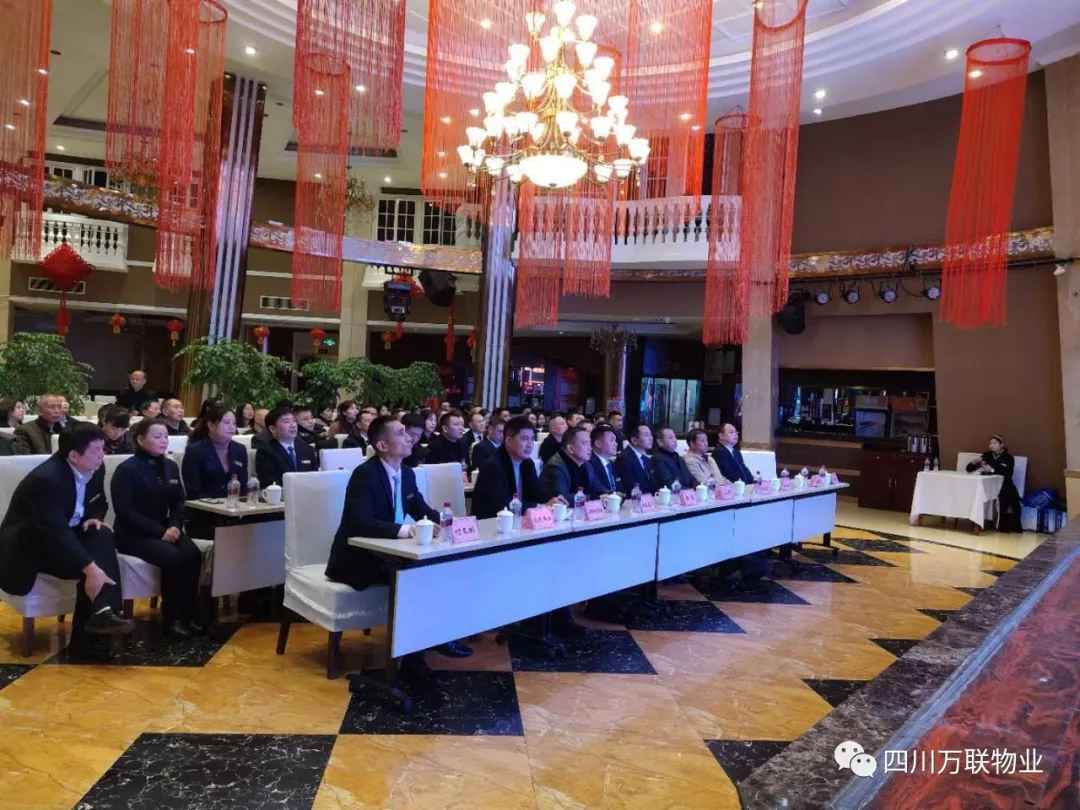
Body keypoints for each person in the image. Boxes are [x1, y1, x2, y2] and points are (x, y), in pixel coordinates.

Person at [325, 416, 472, 659]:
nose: (409, 438)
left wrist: (452, 523)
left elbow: (422, 510)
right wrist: (406, 530)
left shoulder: (407, 474)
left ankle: (435, 636)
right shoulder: (365, 474)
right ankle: (412, 656)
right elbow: (359, 523)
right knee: (418, 576)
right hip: (358, 559)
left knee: (441, 568)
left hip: (388, 554)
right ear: (382, 445)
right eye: (401, 433)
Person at [0, 424, 134, 637]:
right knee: (93, 565)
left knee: (102, 533)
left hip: (66, 536)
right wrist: (90, 568)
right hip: (32, 547)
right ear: (73, 456)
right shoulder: (47, 479)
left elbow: (99, 501)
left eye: (103, 448)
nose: (103, 454)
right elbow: (55, 531)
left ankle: (101, 614)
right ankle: (99, 618)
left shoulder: (96, 467)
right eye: (96, 450)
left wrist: (93, 517)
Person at [111, 419, 203, 637]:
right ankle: (172, 619)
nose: (163, 441)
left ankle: (189, 614)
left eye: (165, 436)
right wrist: (160, 532)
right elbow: (125, 512)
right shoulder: (126, 470)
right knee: (172, 556)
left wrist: (175, 525)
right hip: (133, 533)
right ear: (140, 440)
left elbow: (179, 502)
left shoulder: (170, 466)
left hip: (166, 527)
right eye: (157, 436)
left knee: (193, 553)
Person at [471, 417, 561, 519]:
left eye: (532, 439)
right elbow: (502, 505)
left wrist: (554, 499)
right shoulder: (493, 465)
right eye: (524, 439)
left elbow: (537, 492)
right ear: (508, 441)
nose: (530, 444)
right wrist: (540, 506)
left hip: (520, 519)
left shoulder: (527, 463)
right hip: (493, 522)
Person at [181, 402, 249, 501]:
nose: (231, 427)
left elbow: (243, 487)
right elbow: (194, 491)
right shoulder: (195, 451)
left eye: (234, 423)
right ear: (211, 425)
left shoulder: (240, 449)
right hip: (204, 506)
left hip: (234, 506)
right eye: (226, 423)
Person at [966, 434, 1023, 532]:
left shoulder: (1008, 458)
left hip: (1004, 484)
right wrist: (973, 462)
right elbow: (969, 469)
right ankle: (980, 523)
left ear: (1002, 445)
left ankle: (1010, 526)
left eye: (994, 443)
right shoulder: (987, 455)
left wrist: (992, 470)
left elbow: (1007, 473)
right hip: (987, 485)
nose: (991, 445)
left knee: (1012, 498)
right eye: (990, 443)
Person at [255, 404, 318, 488]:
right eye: (286, 422)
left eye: (294, 421)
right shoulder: (265, 452)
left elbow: (315, 478)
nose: (293, 425)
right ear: (273, 429)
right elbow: (269, 483)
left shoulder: (307, 449)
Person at [540, 425, 602, 502]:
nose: (590, 448)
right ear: (570, 448)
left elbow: (599, 489)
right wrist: (591, 498)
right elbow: (562, 498)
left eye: (589, 443)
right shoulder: (555, 467)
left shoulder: (586, 465)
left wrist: (607, 494)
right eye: (584, 443)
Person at [615, 424, 657, 496]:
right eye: (646, 435)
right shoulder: (624, 458)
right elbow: (630, 487)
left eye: (651, 435)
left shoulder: (646, 459)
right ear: (634, 440)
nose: (651, 438)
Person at [652, 426, 696, 491]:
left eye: (675, 437)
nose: (675, 440)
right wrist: (686, 491)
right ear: (660, 442)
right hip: (672, 495)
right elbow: (668, 483)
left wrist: (698, 487)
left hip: (688, 493)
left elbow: (690, 478)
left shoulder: (678, 457)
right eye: (670, 438)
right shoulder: (657, 459)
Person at [587, 424, 623, 495]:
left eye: (615, 440)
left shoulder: (612, 463)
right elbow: (596, 490)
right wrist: (613, 494)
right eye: (611, 440)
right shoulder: (589, 464)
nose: (616, 444)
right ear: (598, 443)